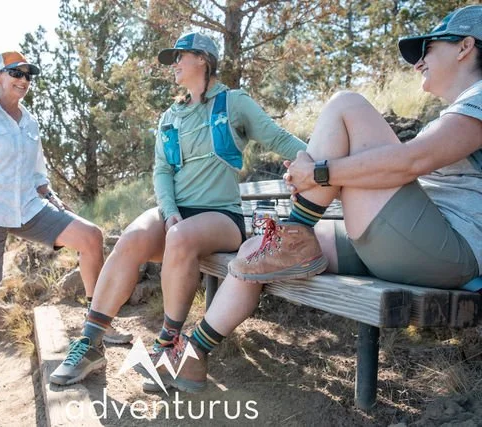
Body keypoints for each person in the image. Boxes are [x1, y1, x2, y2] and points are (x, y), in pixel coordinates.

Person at [144, 5, 482, 393]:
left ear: (465, 47)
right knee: (258, 248)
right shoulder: (456, 111)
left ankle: (295, 231)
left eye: (429, 48)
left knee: (346, 105)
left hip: (449, 251)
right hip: (418, 241)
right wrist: (316, 168)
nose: (420, 60)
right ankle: (193, 353)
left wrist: (319, 172)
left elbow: (410, 162)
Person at [50, 32, 310, 386]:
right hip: (177, 214)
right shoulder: (171, 116)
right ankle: (90, 342)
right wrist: (169, 210)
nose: (173, 65)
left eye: (179, 56)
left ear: (202, 59)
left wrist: (323, 159)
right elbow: (162, 170)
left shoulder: (234, 103)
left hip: (222, 218)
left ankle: (167, 346)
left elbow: (279, 138)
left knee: (181, 236)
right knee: (132, 238)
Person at [0, 51, 131, 393]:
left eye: (29, 74)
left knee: (91, 236)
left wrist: (52, 197)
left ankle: (96, 329)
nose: (23, 78)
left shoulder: (29, 121)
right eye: (15, 72)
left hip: (30, 207)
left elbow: (37, 172)